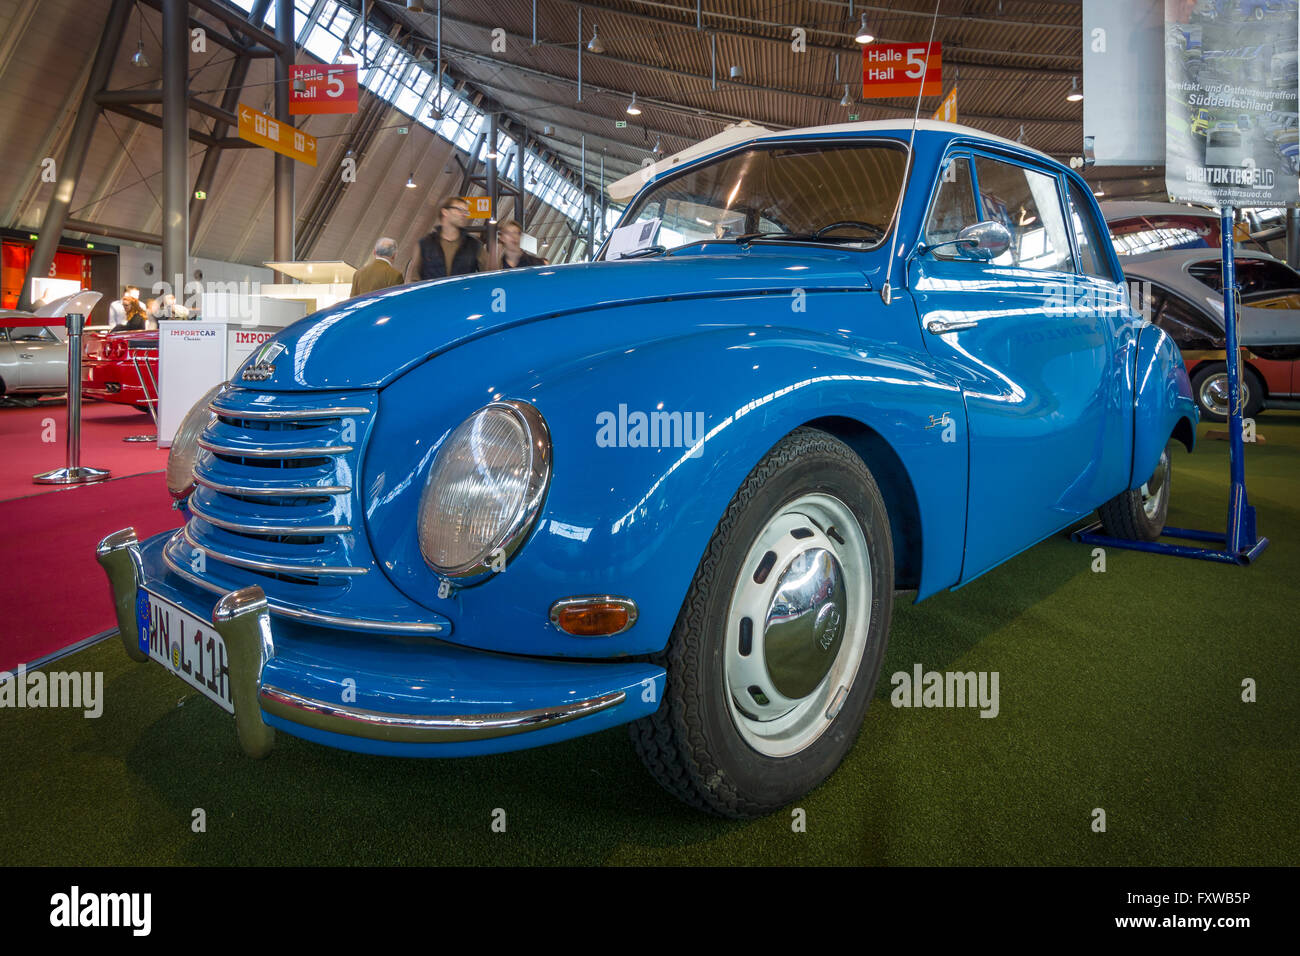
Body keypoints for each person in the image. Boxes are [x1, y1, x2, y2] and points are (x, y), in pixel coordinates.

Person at [411, 196, 486, 280]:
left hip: (463, 293)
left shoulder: (474, 245)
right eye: (459, 210)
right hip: (433, 293)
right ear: (445, 212)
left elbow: (490, 275)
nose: (464, 215)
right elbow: (414, 279)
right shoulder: (424, 245)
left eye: (466, 212)